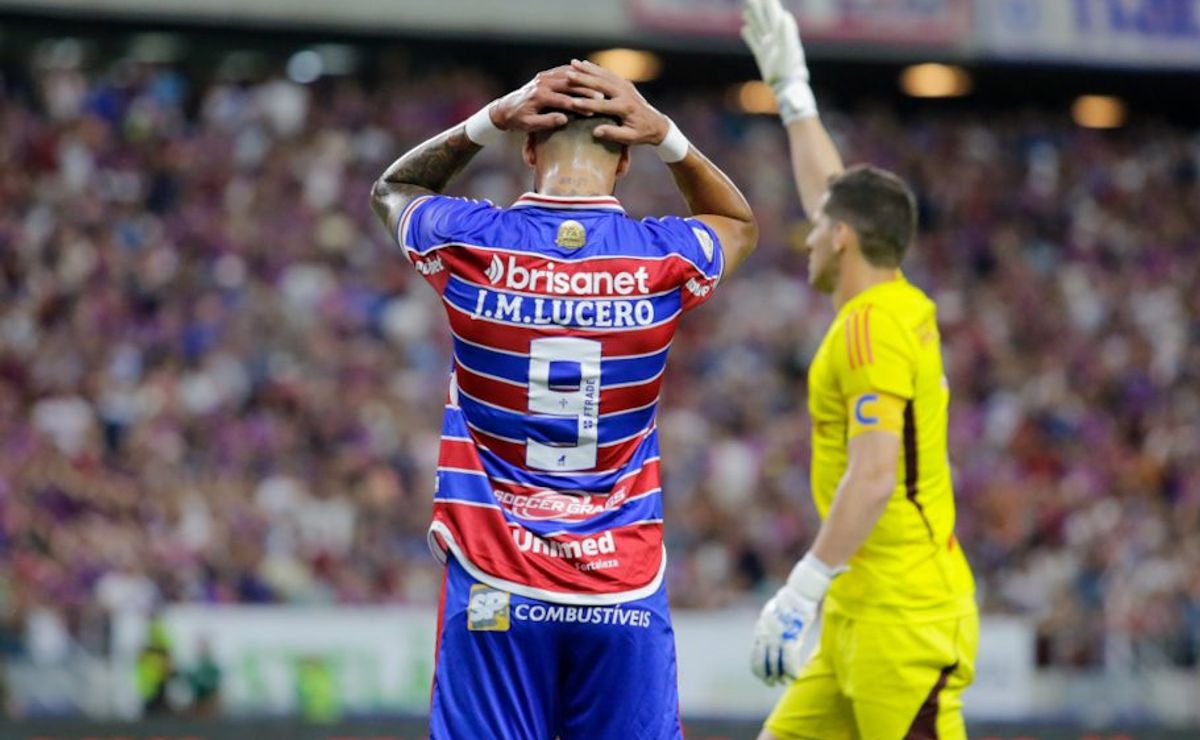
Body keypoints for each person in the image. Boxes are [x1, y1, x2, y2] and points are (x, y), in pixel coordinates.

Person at [370, 61, 757, 739]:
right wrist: (667, 135)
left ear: (527, 149)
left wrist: (489, 117)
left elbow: (393, 190)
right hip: (622, 588)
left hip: (495, 580)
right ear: (626, 161)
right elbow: (736, 221)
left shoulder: (472, 243)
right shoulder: (660, 258)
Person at [740, 0, 979, 738]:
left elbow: (874, 475)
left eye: (818, 228)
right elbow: (835, 196)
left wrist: (799, 590)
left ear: (842, 239)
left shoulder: (871, 331)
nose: (807, 235)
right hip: (863, 609)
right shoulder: (887, 303)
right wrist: (793, 93)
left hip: (903, 620)